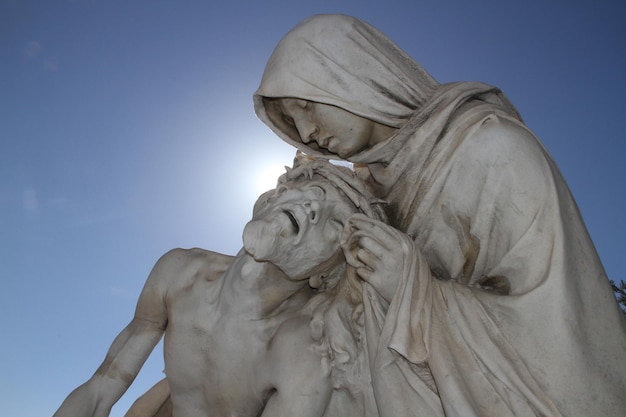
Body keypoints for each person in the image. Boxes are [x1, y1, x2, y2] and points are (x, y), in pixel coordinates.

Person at [254, 14, 626, 417]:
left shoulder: (492, 150)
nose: (307, 132)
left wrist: (413, 289)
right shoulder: (366, 196)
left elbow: (562, 331)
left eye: (306, 107)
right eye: (293, 122)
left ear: (349, 75)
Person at [54, 157, 386, 417]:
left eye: (337, 222)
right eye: (313, 191)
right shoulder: (180, 272)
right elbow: (100, 390)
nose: (314, 208)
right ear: (272, 198)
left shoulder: (303, 355)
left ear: (326, 275)